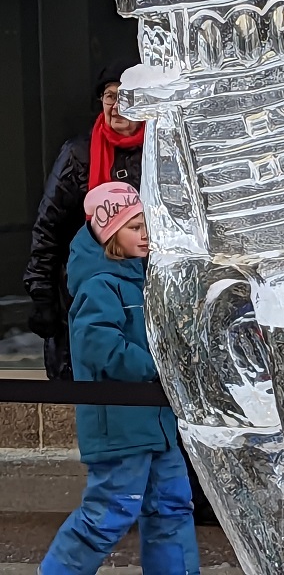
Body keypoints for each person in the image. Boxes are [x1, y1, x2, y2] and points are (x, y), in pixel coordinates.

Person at [40, 182, 200, 575]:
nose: (145, 235)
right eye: (134, 227)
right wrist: (159, 366)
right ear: (110, 234)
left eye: (146, 226)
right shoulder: (99, 285)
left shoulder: (141, 282)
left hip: (156, 425)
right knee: (108, 514)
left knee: (171, 508)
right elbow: (100, 347)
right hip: (120, 427)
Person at [24, 59, 144, 381]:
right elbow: (48, 229)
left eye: (127, 96)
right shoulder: (79, 154)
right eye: (110, 96)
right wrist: (42, 295)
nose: (116, 106)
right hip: (88, 292)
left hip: (145, 293)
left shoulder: (162, 149)